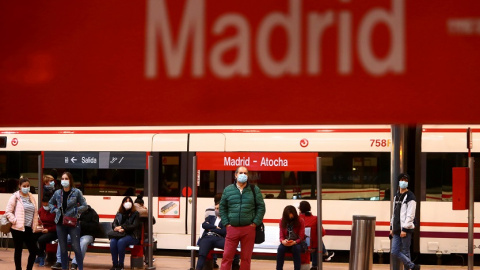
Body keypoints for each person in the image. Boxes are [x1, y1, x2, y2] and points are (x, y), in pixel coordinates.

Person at [219, 166, 266, 270]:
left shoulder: (254, 189)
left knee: (246, 258)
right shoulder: (228, 190)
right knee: (227, 257)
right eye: (241, 173)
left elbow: (261, 207)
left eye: (245, 173)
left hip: (248, 229)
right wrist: (226, 223)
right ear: (235, 175)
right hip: (232, 229)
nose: (243, 175)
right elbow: (222, 207)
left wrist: (255, 223)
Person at [49, 172, 87, 270]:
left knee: (76, 247)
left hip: (73, 223)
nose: (64, 181)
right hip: (60, 223)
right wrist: (55, 210)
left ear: (70, 180)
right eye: (62, 179)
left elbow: (84, 206)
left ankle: (80, 268)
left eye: (66, 179)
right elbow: (50, 203)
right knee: (63, 248)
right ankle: (64, 268)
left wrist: (75, 211)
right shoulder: (58, 192)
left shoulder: (76, 192)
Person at [5, 177, 39, 270]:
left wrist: (35, 224)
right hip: (17, 228)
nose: (26, 188)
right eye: (24, 186)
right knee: (18, 250)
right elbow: (8, 211)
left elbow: (35, 211)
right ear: (19, 186)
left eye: (28, 186)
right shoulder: (15, 197)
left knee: (33, 250)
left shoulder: (31, 196)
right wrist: (14, 221)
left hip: (28, 228)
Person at [51, 205, 99, 270]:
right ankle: (60, 261)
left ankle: (75, 263)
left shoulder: (92, 213)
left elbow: (95, 226)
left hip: (87, 235)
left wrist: (81, 224)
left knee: (83, 243)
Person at [390, 173, 420, 270]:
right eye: (402, 180)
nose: (404, 182)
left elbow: (410, 214)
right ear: (399, 182)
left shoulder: (410, 196)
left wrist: (404, 229)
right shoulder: (396, 195)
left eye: (406, 181)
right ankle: (412, 266)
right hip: (396, 228)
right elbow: (394, 213)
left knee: (406, 251)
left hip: (405, 229)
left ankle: (409, 268)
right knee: (394, 251)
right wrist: (391, 227)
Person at [298, 201, 333, 270]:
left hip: (300, 244)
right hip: (313, 246)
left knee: (313, 239)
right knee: (316, 239)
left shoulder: (298, 219)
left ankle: (325, 253)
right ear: (309, 208)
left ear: (300, 209)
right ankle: (315, 264)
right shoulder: (315, 218)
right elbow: (322, 233)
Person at [110, 196, 142, 270]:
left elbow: (134, 226)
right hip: (120, 234)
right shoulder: (119, 213)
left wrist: (122, 228)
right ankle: (115, 265)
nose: (127, 203)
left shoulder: (135, 213)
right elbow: (114, 223)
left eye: (129, 201)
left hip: (132, 235)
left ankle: (121, 265)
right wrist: (117, 229)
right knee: (113, 242)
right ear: (123, 203)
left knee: (121, 242)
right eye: (125, 201)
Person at [196, 203, 226, 270]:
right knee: (202, 255)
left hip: (218, 238)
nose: (216, 210)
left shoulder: (225, 220)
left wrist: (210, 228)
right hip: (207, 237)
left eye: (218, 208)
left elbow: (223, 231)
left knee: (230, 247)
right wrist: (215, 227)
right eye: (215, 208)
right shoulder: (210, 217)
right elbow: (204, 225)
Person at [276, 205, 305, 270]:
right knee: (280, 249)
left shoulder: (300, 221)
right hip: (286, 241)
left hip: (296, 242)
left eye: (292, 216)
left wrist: (295, 242)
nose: (290, 218)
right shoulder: (282, 221)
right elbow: (281, 235)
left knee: (296, 249)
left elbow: (301, 236)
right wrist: (282, 241)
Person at [34, 195, 58, 267]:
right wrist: (38, 222)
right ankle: (40, 254)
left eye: (47, 204)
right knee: (31, 237)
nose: (45, 206)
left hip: (53, 231)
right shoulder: (41, 210)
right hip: (42, 229)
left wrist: (49, 230)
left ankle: (41, 256)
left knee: (41, 239)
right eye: (43, 204)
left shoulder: (56, 211)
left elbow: (58, 225)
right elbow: (38, 218)